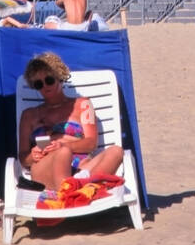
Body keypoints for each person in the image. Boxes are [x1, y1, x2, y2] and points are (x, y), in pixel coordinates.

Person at [17, 52, 125, 193]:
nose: (44, 86)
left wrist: (63, 144)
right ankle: (77, 191)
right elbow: (23, 158)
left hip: (82, 168)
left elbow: (91, 143)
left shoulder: (83, 104)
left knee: (116, 151)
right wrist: (33, 155)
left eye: (49, 80)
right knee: (63, 153)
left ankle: (77, 189)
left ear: (60, 77)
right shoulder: (29, 115)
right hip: (45, 168)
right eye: (38, 84)